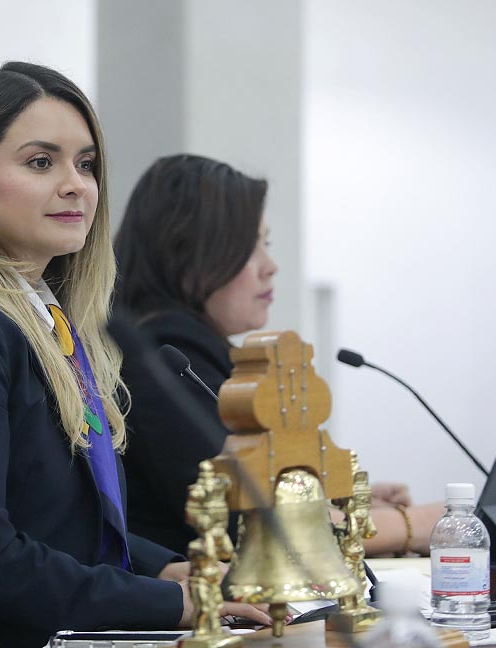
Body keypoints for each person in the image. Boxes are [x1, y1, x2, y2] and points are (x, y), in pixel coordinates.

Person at [0, 63, 271, 648]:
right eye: (41, 162)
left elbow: (64, 524)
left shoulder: (50, 321)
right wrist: (173, 603)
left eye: (86, 164)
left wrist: (168, 570)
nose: (76, 184)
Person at [114, 154, 443, 559]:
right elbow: (250, 522)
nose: (271, 267)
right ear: (183, 255)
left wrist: (341, 504)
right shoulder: (167, 358)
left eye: (265, 245)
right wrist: (413, 526)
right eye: (246, 248)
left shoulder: (195, 349)